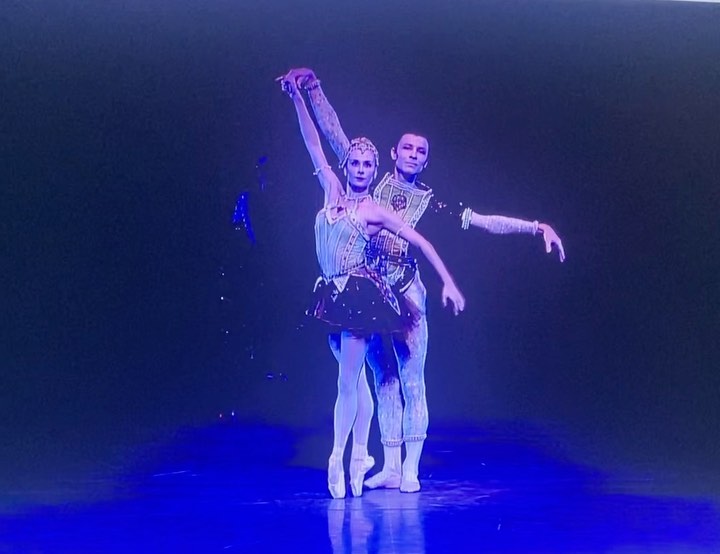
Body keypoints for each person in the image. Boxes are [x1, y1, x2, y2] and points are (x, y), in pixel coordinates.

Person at [278, 67, 566, 494]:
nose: (413, 154)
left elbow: (483, 221)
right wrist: (312, 88)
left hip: (407, 294)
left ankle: (410, 468)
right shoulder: (368, 180)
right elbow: (330, 135)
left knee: (412, 379)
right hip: (369, 291)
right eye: (407, 148)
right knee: (383, 379)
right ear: (393, 154)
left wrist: (535, 226)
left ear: (426, 161)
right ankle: (390, 466)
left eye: (421, 151)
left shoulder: (432, 204)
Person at [280, 76, 465, 499]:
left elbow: (421, 241)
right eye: (355, 163)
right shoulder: (330, 189)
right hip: (329, 294)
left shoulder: (374, 210)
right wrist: (299, 96)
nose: (361, 169)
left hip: (360, 297)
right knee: (363, 381)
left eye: (367, 165)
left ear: (374, 169)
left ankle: (345, 458)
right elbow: (315, 141)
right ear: (347, 166)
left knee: (361, 380)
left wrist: (448, 282)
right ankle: (365, 456)